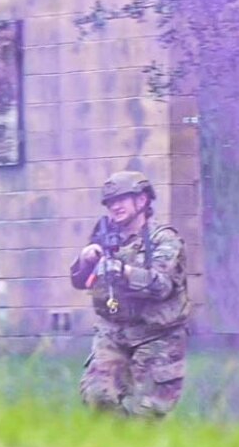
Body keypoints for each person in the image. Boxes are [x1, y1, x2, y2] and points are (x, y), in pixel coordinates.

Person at [68, 170, 190, 419]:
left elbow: (162, 285)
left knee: (145, 413)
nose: (115, 206)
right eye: (111, 202)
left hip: (157, 336)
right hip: (113, 334)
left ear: (142, 201)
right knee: (98, 399)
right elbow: (79, 281)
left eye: (122, 200)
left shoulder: (164, 240)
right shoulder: (104, 237)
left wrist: (124, 272)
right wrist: (85, 260)